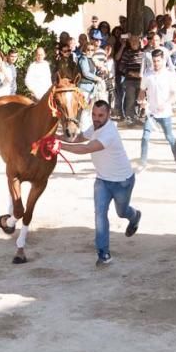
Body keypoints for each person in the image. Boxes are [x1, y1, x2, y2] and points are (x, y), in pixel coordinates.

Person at [61, 100, 141, 266]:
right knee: (100, 215)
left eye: (100, 115)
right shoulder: (96, 127)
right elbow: (79, 139)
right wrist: (52, 136)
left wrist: (59, 145)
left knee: (122, 212)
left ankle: (135, 216)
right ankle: (104, 254)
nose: (96, 118)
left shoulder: (109, 133)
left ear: (108, 114)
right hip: (102, 181)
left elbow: (85, 149)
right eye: (94, 115)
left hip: (122, 182)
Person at [137, 49, 176, 170]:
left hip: (165, 113)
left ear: (163, 60)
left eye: (158, 61)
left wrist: (166, 103)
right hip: (151, 112)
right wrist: (141, 101)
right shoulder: (148, 74)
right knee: (145, 136)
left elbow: (175, 94)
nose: (156, 63)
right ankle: (142, 162)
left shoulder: (169, 75)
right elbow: (142, 90)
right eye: (154, 61)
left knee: (169, 137)